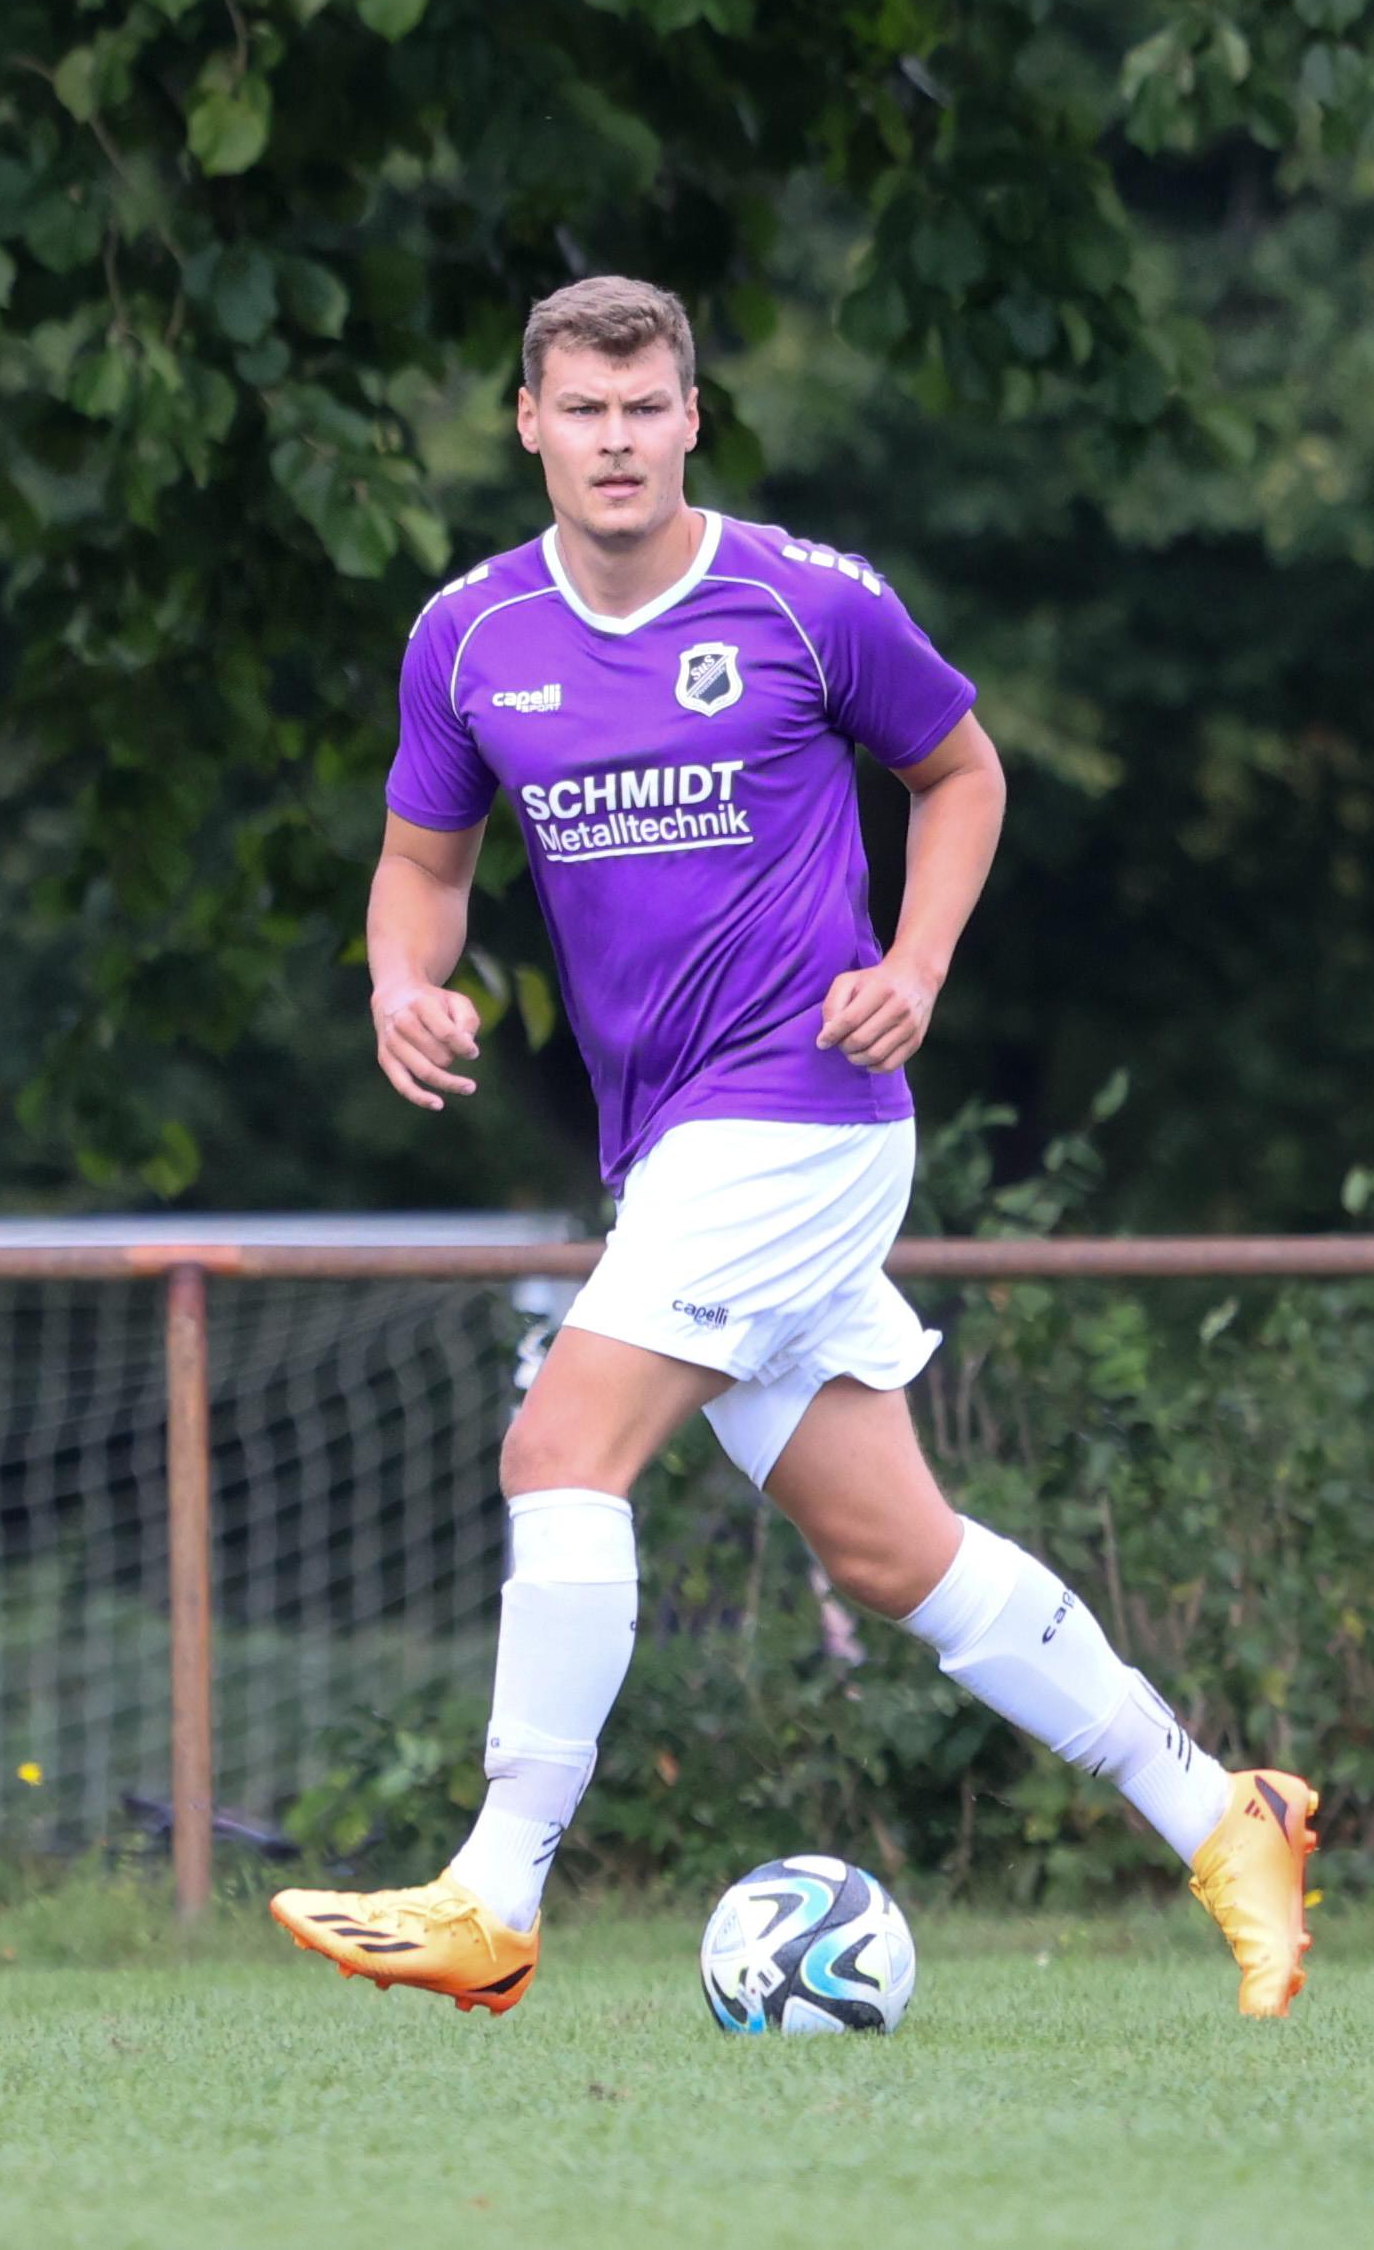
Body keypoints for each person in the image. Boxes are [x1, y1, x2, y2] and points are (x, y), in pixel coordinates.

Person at [267, 275, 1318, 2021]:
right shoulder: (468, 636)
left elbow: (963, 775)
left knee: (560, 1446)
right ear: (529, 424)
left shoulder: (806, 601)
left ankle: (493, 1895)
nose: (617, 440)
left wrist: (916, 966)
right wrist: (400, 981)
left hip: (801, 1109)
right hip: (673, 1143)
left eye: (646, 407)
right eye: (583, 409)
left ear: (694, 418)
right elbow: (422, 866)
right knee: (896, 1554)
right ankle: (1225, 1814)